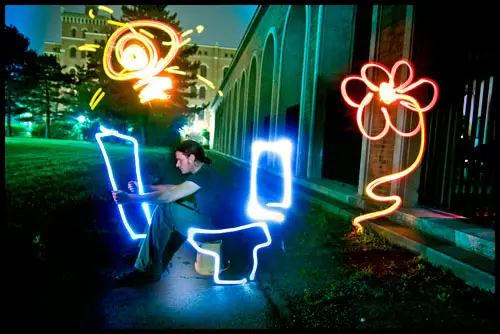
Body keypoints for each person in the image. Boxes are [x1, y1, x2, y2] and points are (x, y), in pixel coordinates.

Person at [112, 140, 228, 286]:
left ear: (191, 158)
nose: (177, 164)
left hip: (211, 229)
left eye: (180, 160)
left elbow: (168, 196)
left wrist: (130, 198)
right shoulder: (206, 171)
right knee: (175, 201)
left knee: (166, 207)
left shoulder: (204, 174)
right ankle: (144, 254)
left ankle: (146, 271)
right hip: (213, 223)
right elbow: (176, 188)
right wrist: (146, 187)